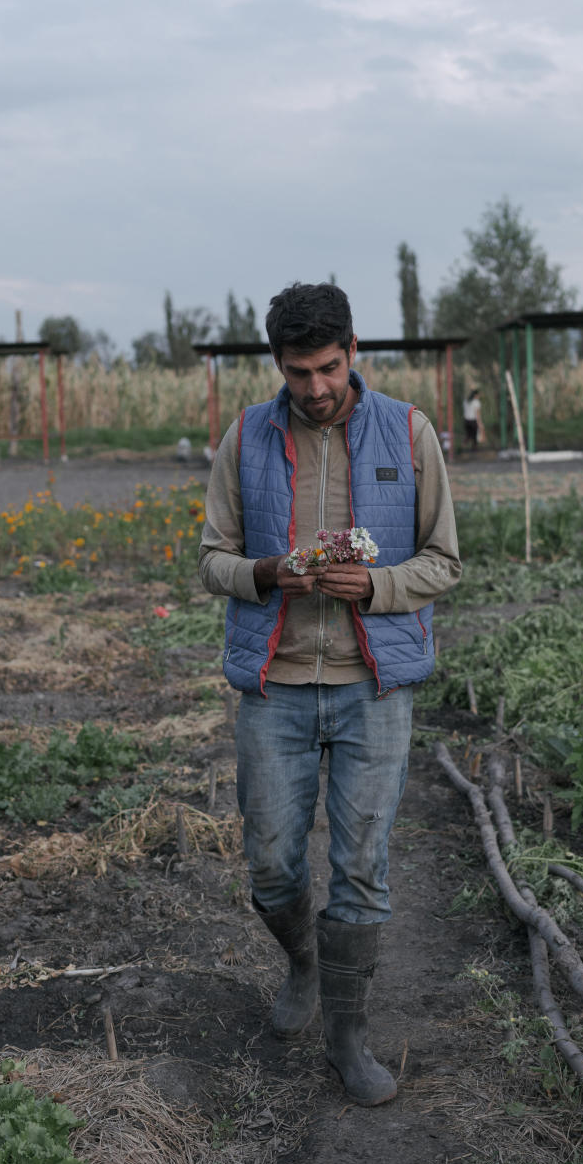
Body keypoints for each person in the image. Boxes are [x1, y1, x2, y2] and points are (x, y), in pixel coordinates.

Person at [198, 282, 462, 1107]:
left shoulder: (409, 433)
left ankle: (349, 1040)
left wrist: (376, 586)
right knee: (273, 865)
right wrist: (267, 573)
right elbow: (211, 559)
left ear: (355, 353)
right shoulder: (244, 437)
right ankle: (305, 962)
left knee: (362, 870)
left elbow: (443, 561)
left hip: (372, 689)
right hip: (274, 686)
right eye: (297, 370)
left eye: (328, 367)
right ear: (276, 364)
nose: (314, 387)